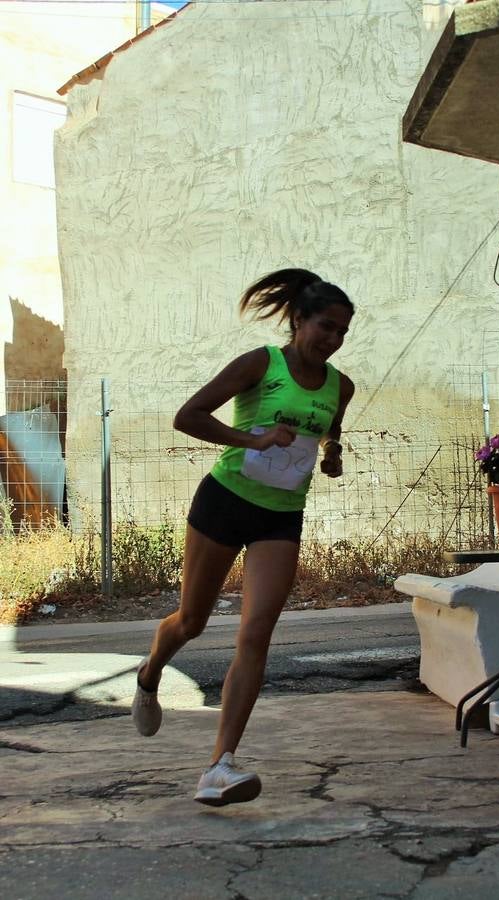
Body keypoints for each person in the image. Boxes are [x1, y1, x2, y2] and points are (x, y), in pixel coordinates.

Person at [131, 268, 355, 806]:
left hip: (281, 517)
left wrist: (331, 456)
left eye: (343, 331)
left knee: (256, 634)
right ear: (298, 320)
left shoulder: (341, 385)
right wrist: (248, 437)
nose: (333, 339)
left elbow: (331, 430)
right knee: (192, 621)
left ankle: (219, 765)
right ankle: (150, 671)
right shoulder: (261, 363)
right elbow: (188, 416)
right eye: (325, 326)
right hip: (225, 501)